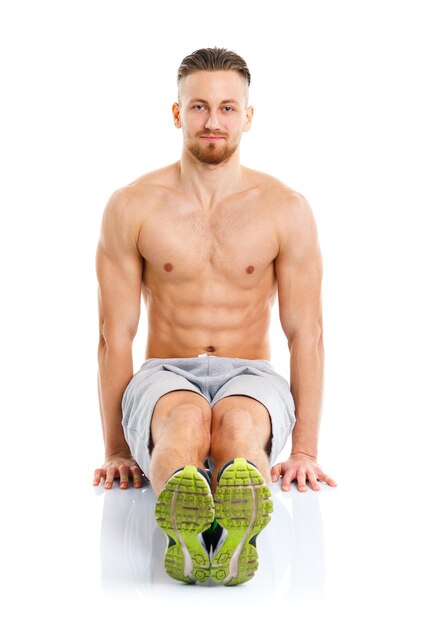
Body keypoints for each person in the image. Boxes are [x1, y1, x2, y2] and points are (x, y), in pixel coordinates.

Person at [93, 46, 337, 586]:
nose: (213, 120)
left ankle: (228, 534)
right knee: (184, 420)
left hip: (249, 371)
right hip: (165, 370)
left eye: (228, 108)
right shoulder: (133, 205)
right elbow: (115, 335)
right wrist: (115, 449)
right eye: (199, 106)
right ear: (177, 113)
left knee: (240, 422)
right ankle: (195, 527)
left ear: (248, 117)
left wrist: (305, 450)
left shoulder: (284, 208)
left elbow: (307, 335)